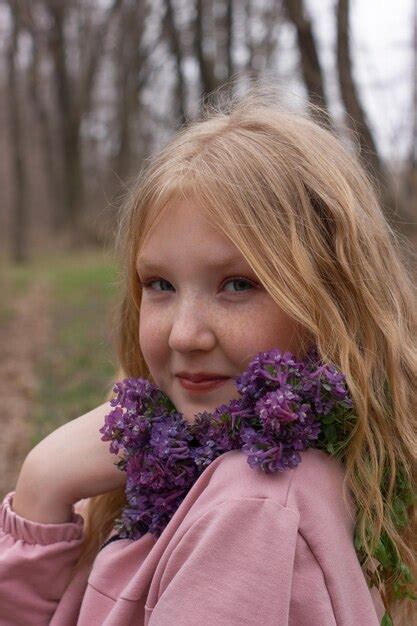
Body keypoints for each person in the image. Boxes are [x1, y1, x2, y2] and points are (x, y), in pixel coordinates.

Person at [0, 82, 415, 626]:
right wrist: (45, 490)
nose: (184, 335)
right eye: (160, 285)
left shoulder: (254, 505)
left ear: (331, 299)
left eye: (238, 284)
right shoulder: (170, 465)